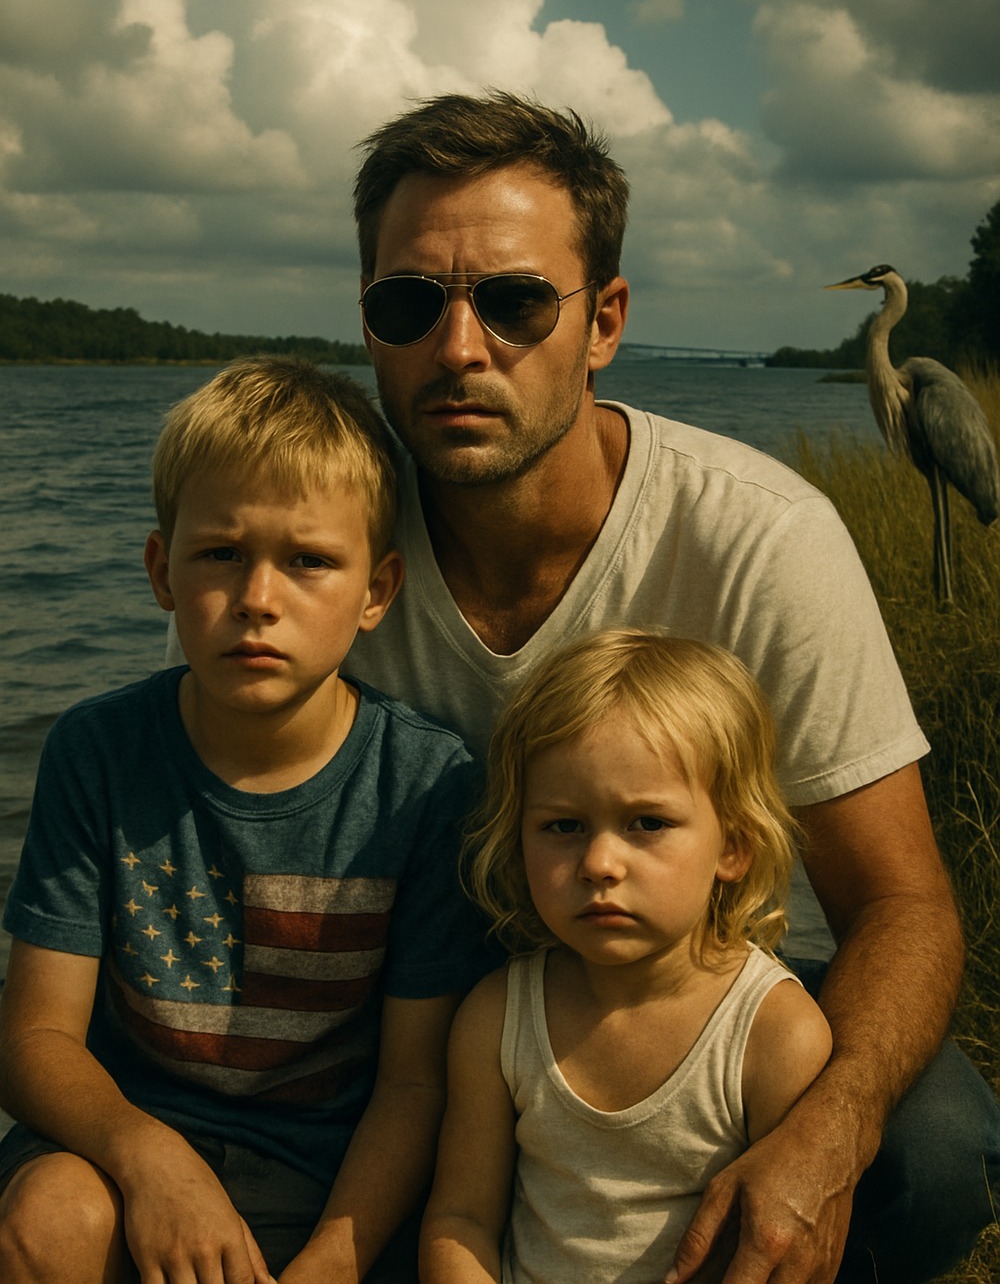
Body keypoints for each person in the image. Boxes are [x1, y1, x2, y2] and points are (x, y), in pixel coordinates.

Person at [338, 91, 999, 1282]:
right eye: (407, 305)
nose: (458, 347)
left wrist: (823, 1136)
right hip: (423, 1001)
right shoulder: (319, 550)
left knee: (934, 1152)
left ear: (604, 321)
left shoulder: (762, 538)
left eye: (514, 299)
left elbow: (903, 904)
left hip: (705, 987)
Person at [0, 357, 492, 1284]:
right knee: (47, 1218)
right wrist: (153, 1162)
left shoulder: (425, 784)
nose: (259, 598)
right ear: (162, 571)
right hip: (126, 1147)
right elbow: (33, 1042)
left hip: (330, 1178)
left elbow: (417, 1082)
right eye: (222, 553)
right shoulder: (99, 752)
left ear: (377, 591)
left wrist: (333, 1262)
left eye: (309, 561)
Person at [420, 628, 834, 1284]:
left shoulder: (774, 1035)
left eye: (647, 824)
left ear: (734, 845)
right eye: (563, 826)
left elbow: (788, 1249)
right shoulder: (497, 1017)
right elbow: (461, 1220)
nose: (599, 863)